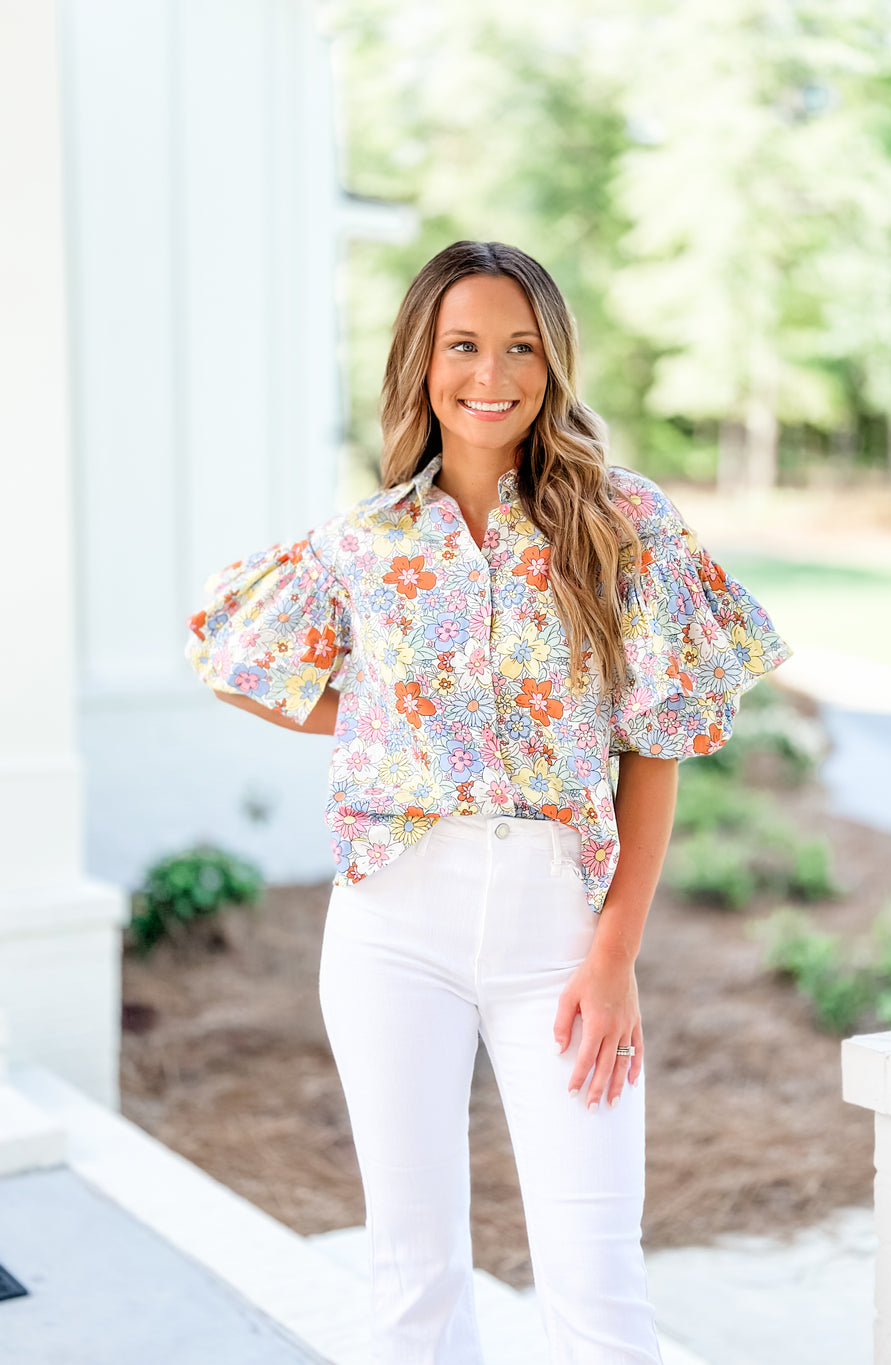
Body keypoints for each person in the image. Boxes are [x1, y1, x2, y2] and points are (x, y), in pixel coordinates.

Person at [185, 239, 793, 1364]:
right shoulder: (368, 543)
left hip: (557, 935)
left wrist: (612, 960)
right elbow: (240, 660)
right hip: (390, 927)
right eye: (463, 345)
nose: (491, 375)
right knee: (412, 1271)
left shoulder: (617, 522)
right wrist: (380, 723)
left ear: (552, 364)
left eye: (520, 348)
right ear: (421, 360)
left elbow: (652, 748)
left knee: (596, 1273)